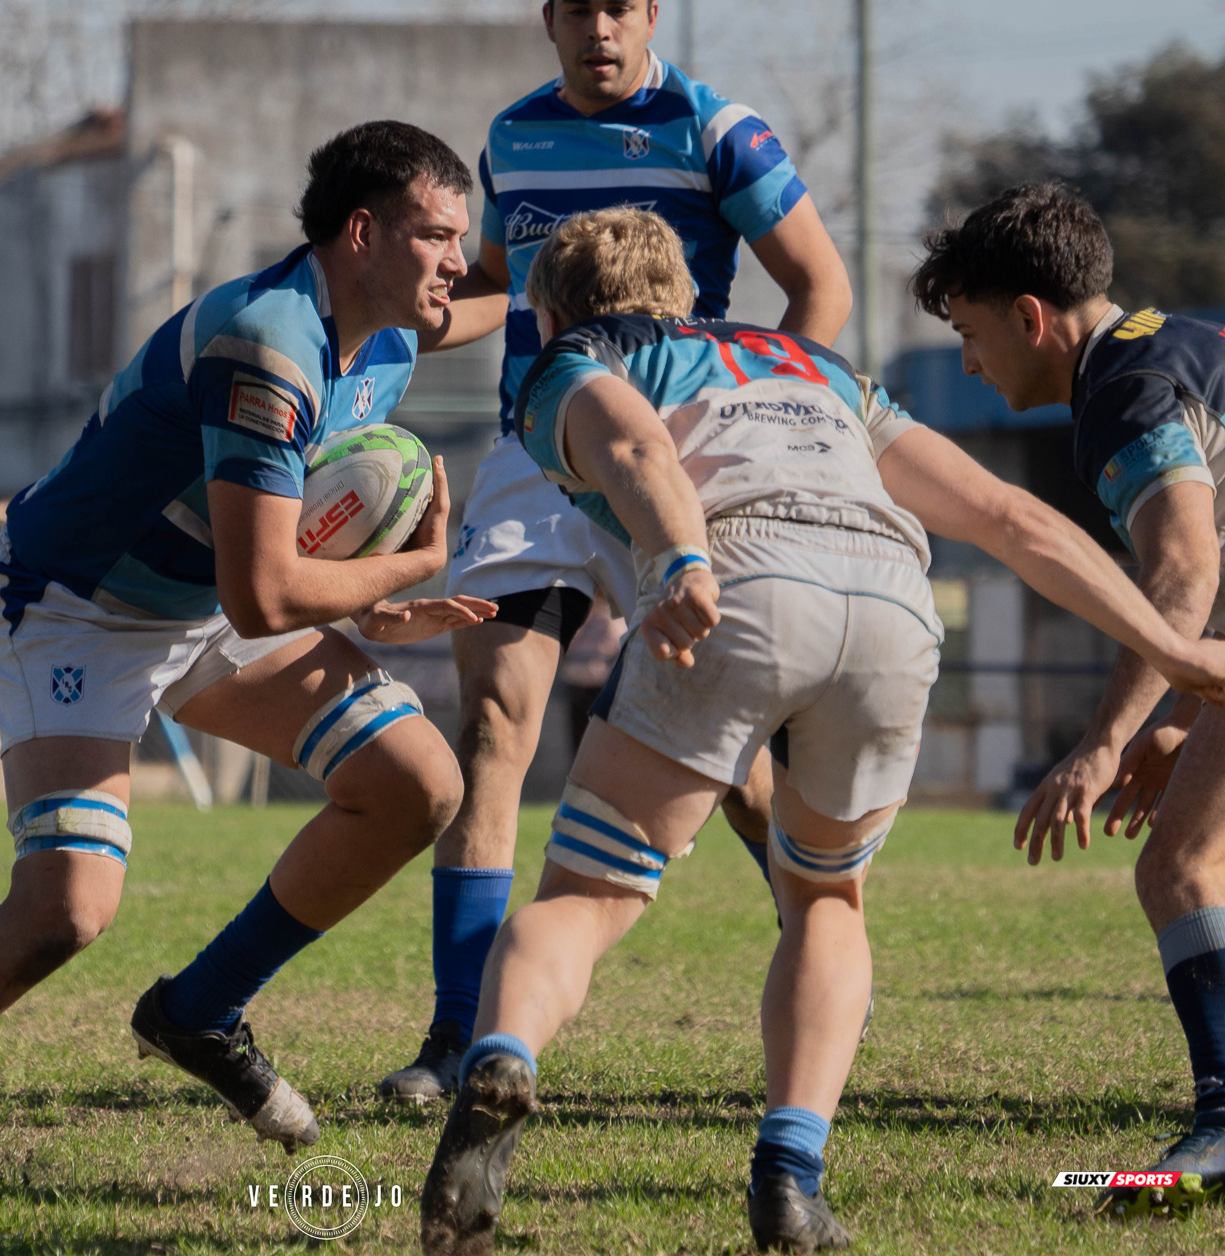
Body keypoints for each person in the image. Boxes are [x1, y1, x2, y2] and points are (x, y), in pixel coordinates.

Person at [417, 207, 1225, 1254]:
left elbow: (631, 442)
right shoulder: (817, 363)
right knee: (828, 895)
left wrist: (679, 560)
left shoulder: (580, 355)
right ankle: (790, 1177)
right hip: (892, 602)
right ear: (688, 298)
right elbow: (1010, 519)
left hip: (737, 582)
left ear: (550, 309)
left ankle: (506, 1053)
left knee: (591, 892)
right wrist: (1172, 654)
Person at [0, 121, 505, 1186]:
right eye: (438, 235)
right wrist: (405, 568)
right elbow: (267, 590)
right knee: (65, 910)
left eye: (464, 237)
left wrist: (596, 249)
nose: (456, 261)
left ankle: (200, 1010)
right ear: (364, 232)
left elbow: (497, 296)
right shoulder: (268, 345)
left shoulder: (385, 320)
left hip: (201, 603)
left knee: (416, 784)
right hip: (76, 607)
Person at [378, 0, 856, 1102]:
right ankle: (458, 1032)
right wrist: (388, 309)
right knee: (494, 724)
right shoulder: (511, 135)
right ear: (548, 18)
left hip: (676, 461)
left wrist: (760, 414)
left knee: (729, 759)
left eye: (622, 5)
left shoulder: (719, 129)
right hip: (537, 447)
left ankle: (823, 935)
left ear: (650, 14)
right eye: (579, 6)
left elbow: (819, 286)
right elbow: (495, 285)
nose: (601, 25)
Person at [916, 183, 1225, 1218]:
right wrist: (1181, 712)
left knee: (1182, 863)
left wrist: (1103, 741)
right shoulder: (1177, 340)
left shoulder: (1123, 391)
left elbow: (1180, 576)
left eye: (968, 333)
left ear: (1030, 316)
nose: (968, 361)